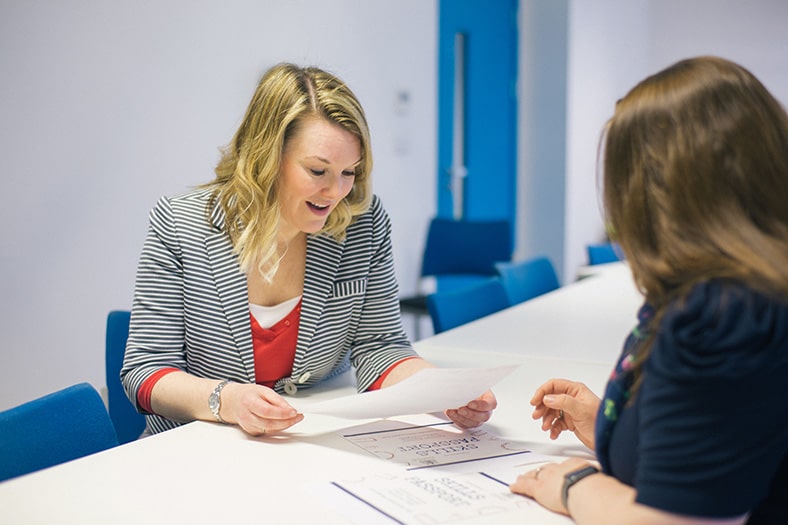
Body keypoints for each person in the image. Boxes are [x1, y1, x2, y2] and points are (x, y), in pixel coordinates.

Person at [120, 63, 496, 437]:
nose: (336, 192)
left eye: (350, 172)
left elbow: (379, 346)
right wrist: (227, 399)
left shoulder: (362, 224)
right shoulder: (181, 224)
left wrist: (442, 390)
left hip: (306, 445)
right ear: (265, 157)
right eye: (318, 171)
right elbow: (146, 370)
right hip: (190, 451)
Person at [510, 56, 788, 524]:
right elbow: (724, 439)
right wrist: (613, 426)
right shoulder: (747, 289)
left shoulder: (724, 316)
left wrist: (575, 485)